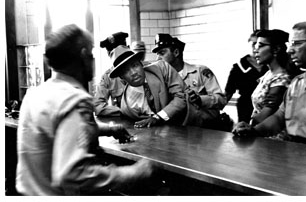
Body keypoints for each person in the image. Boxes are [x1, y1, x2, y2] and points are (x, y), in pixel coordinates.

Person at [16, 25, 155, 195]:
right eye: (91, 55)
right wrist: (135, 172)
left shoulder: (35, 95)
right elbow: (73, 174)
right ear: (83, 56)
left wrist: (109, 129)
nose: (93, 61)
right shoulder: (72, 100)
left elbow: (60, 131)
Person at [232, 22, 306, 146]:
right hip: (292, 151)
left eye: (297, 43)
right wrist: (252, 130)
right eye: (291, 44)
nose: (290, 50)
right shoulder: (297, 83)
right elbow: (279, 117)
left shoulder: (284, 79)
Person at [152, 33, 226, 129]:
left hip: (206, 129)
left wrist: (200, 100)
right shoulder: (161, 80)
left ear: (176, 53)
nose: (158, 58)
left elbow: (221, 100)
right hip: (179, 131)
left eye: (162, 53)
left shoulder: (200, 72)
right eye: (157, 55)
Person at [109, 45, 187, 128]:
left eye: (135, 65)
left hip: (189, 123)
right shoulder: (127, 107)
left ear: (141, 64)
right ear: (121, 77)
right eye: (126, 70)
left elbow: (181, 97)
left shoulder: (162, 69)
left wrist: (158, 117)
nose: (133, 73)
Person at [249, 29, 291, 126]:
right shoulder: (268, 74)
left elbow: (267, 114)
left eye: (260, 46)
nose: (256, 50)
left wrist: (247, 125)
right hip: (258, 131)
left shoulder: (281, 79)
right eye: (255, 45)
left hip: (272, 136)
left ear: (276, 49)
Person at [224, 30, 268, 122]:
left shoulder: (270, 65)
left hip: (268, 106)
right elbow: (228, 92)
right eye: (254, 44)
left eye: (260, 45)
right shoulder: (239, 67)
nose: (256, 48)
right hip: (246, 106)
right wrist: (217, 110)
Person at [93, 32, 129, 117]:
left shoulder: (142, 69)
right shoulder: (107, 77)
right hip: (124, 122)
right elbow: (98, 107)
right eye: (112, 54)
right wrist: (125, 111)